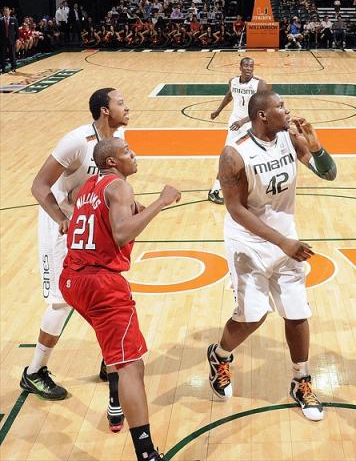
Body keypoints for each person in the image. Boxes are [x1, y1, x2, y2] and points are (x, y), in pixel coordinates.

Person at [206, 91, 337, 422]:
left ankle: (301, 380)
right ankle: (220, 355)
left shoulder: (290, 139)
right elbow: (234, 208)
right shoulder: (234, 154)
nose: (287, 109)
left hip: (286, 238)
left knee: (296, 313)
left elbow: (329, 173)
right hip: (248, 243)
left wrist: (317, 147)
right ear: (262, 115)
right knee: (253, 317)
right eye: (280, 106)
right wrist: (282, 241)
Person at [60, 137, 180, 460]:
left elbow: (76, 201)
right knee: (131, 365)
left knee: (117, 349)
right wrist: (160, 201)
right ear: (112, 162)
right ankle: (146, 453)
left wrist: (125, 209)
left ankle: (115, 404)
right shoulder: (120, 188)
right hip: (101, 284)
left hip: (72, 278)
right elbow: (123, 233)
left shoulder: (88, 186)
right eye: (127, 152)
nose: (134, 154)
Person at [25, 88, 128, 430]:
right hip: (61, 222)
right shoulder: (76, 141)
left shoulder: (118, 138)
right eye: (120, 102)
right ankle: (34, 371)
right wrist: (61, 218)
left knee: (104, 289)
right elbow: (39, 186)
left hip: (91, 221)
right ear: (104, 110)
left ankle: (108, 357)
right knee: (60, 302)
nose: (126, 107)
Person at [208, 57, 270, 204]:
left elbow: (261, 109)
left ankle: (257, 188)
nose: (249, 68)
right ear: (240, 67)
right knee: (228, 158)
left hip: (250, 124)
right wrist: (218, 111)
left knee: (255, 157)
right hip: (234, 125)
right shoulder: (233, 81)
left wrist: (243, 121)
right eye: (246, 66)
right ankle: (214, 190)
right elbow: (229, 96)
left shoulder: (260, 84)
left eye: (252, 66)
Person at [1, 6, 18, 73]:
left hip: (11, 40)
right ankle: (3, 68)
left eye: (7, 11)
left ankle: (13, 67)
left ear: (10, 11)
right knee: (3, 54)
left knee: (12, 54)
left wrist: (17, 39)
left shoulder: (14, 19)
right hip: (3, 40)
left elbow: (17, 30)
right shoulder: (0, 20)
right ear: (3, 12)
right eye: (5, 11)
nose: (6, 12)